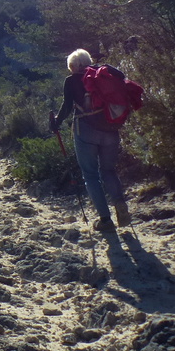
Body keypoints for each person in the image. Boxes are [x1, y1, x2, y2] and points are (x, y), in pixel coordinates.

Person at [51, 48, 131, 233]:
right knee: (109, 171)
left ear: (72, 66)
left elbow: (67, 106)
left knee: (90, 175)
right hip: (110, 128)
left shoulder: (71, 81)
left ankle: (105, 219)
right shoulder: (102, 74)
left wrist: (56, 122)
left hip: (85, 130)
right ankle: (119, 203)